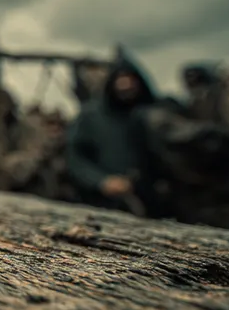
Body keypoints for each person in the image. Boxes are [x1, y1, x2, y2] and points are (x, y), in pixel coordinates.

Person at [65, 56, 161, 215]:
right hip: (103, 203)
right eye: (121, 79)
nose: (126, 85)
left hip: (151, 200)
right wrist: (101, 181)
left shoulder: (151, 114)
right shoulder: (90, 117)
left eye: (131, 79)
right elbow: (75, 158)